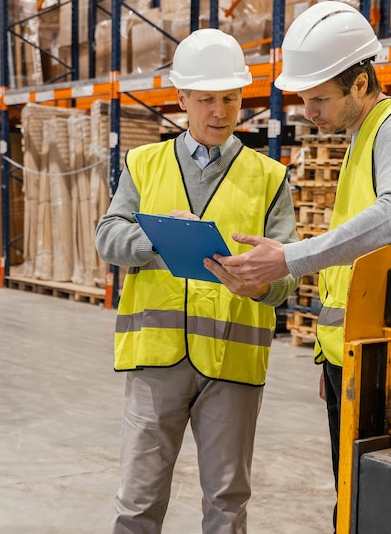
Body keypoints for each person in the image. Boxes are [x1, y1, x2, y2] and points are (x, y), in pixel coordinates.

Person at [206, 0, 391, 530]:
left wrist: (288, 259)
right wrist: (332, 360)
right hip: (359, 359)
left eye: (319, 97)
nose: (308, 110)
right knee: (354, 498)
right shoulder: (361, 139)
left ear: (362, 83)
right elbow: (357, 268)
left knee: (376, 507)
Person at [95, 27, 300, 534]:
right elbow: (108, 236)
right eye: (205, 99)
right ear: (182, 98)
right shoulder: (143, 164)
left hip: (232, 363)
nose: (219, 111)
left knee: (227, 503)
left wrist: (261, 284)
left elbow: (286, 274)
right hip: (157, 357)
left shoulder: (270, 177)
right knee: (138, 499)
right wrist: (158, 240)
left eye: (229, 98)